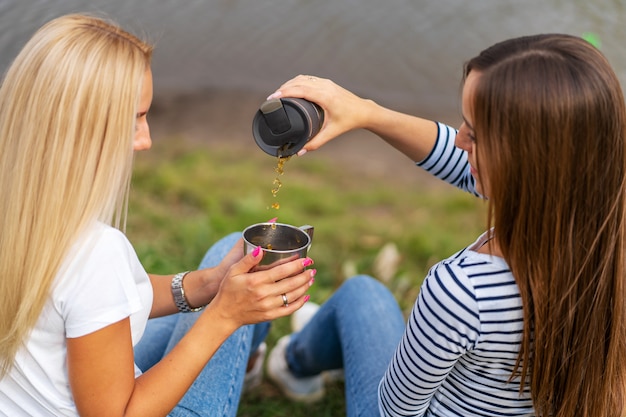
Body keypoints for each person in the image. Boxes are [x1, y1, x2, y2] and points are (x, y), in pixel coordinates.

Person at [264, 34, 626, 416]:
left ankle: (293, 366)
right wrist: (367, 113)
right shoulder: (603, 229)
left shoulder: (461, 292)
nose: (460, 140)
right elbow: (466, 166)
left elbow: (395, 411)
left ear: (524, 162)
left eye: (475, 132)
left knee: (363, 297)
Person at [0, 13, 316, 417]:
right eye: (134, 120)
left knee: (227, 255)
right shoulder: (94, 254)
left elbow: (90, 303)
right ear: (81, 129)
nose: (146, 140)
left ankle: (247, 356)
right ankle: (267, 362)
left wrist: (210, 284)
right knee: (232, 316)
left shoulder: (22, 210)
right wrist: (223, 316)